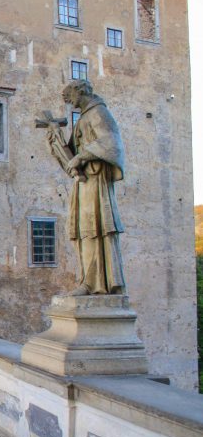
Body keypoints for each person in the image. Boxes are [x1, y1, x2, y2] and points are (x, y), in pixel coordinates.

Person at [50, 79, 126, 295]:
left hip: (96, 180)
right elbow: (71, 156)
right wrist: (55, 137)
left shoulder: (98, 113)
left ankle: (97, 283)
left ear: (80, 92)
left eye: (70, 96)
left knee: (95, 228)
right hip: (85, 181)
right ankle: (88, 281)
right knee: (84, 230)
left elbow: (111, 144)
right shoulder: (84, 117)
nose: (68, 101)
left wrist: (81, 157)